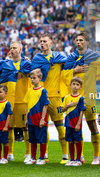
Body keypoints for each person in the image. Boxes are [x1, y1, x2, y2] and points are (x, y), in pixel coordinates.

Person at [63, 33, 100, 165]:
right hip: (75, 97)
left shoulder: (94, 57)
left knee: (92, 125)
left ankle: (96, 156)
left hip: (89, 96)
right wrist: (75, 70)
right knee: (76, 127)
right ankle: (79, 156)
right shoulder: (71, 58)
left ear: (87, 42)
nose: (78, 42)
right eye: (77, 40)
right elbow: (64, 77)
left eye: (81, 40)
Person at [31, 34, 68, 163]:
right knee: (43, 128)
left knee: (60, 126)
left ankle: (65, 156)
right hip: (41, 98)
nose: (42, 43)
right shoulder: (37, 59)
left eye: (45, 41)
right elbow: (32, 74)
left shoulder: (59, 58)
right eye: (40, 41)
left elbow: (68, 68)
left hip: (55, 97)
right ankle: (44, 155)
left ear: (51, 42)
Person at [0, 41, 31, 162]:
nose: (12, 50)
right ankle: (10, 154)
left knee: (25, 127)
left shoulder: (27, 64)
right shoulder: (6, 64)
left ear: (20, 50)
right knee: (9, 127)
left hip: (23, 100)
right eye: (11, 48)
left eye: (15, 48)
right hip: (10, 100)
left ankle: (28, 154)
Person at [24, 69, 49, 165]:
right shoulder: (29, 90)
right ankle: (33, 158)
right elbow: (27, 105)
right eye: (31, 78)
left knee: (42, 139)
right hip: (31, 119)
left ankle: (42, 158)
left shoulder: (43, 91)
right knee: (32, 140)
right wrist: (26, 118)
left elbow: (45, 105)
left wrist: (43, 119)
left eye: (34, 78)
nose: (32, 80)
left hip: (39, 120)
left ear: (40, 78)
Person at [62, 77, 86, 167]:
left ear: (80, 87)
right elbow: (62, 109)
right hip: (68, 123)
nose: (75, 86)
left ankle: (78, 159)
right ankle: (71, 159)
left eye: (77, 84)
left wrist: (79, 123)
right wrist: (68, 105)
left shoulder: (80, 98)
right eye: (74, 84)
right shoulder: (67, 97)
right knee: (70, 141)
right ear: (70, 85)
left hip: (76, 123)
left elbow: (81, 111)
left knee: (77, 141)